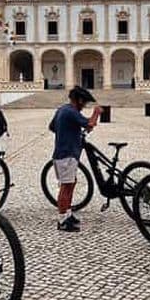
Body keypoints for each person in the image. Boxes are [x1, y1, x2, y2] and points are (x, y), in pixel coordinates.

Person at [48, 86, 102, 232]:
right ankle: (62, 220)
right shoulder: (71, 111)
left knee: (70, 184)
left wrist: (68, 130)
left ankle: (68, 214)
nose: (84, 106)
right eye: (83, 103)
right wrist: (96, 113)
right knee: (65, 187)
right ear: (78, 100)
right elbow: (90, 123)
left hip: (64, 153)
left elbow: (52, 127)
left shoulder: (62, 110)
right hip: (67, 154)